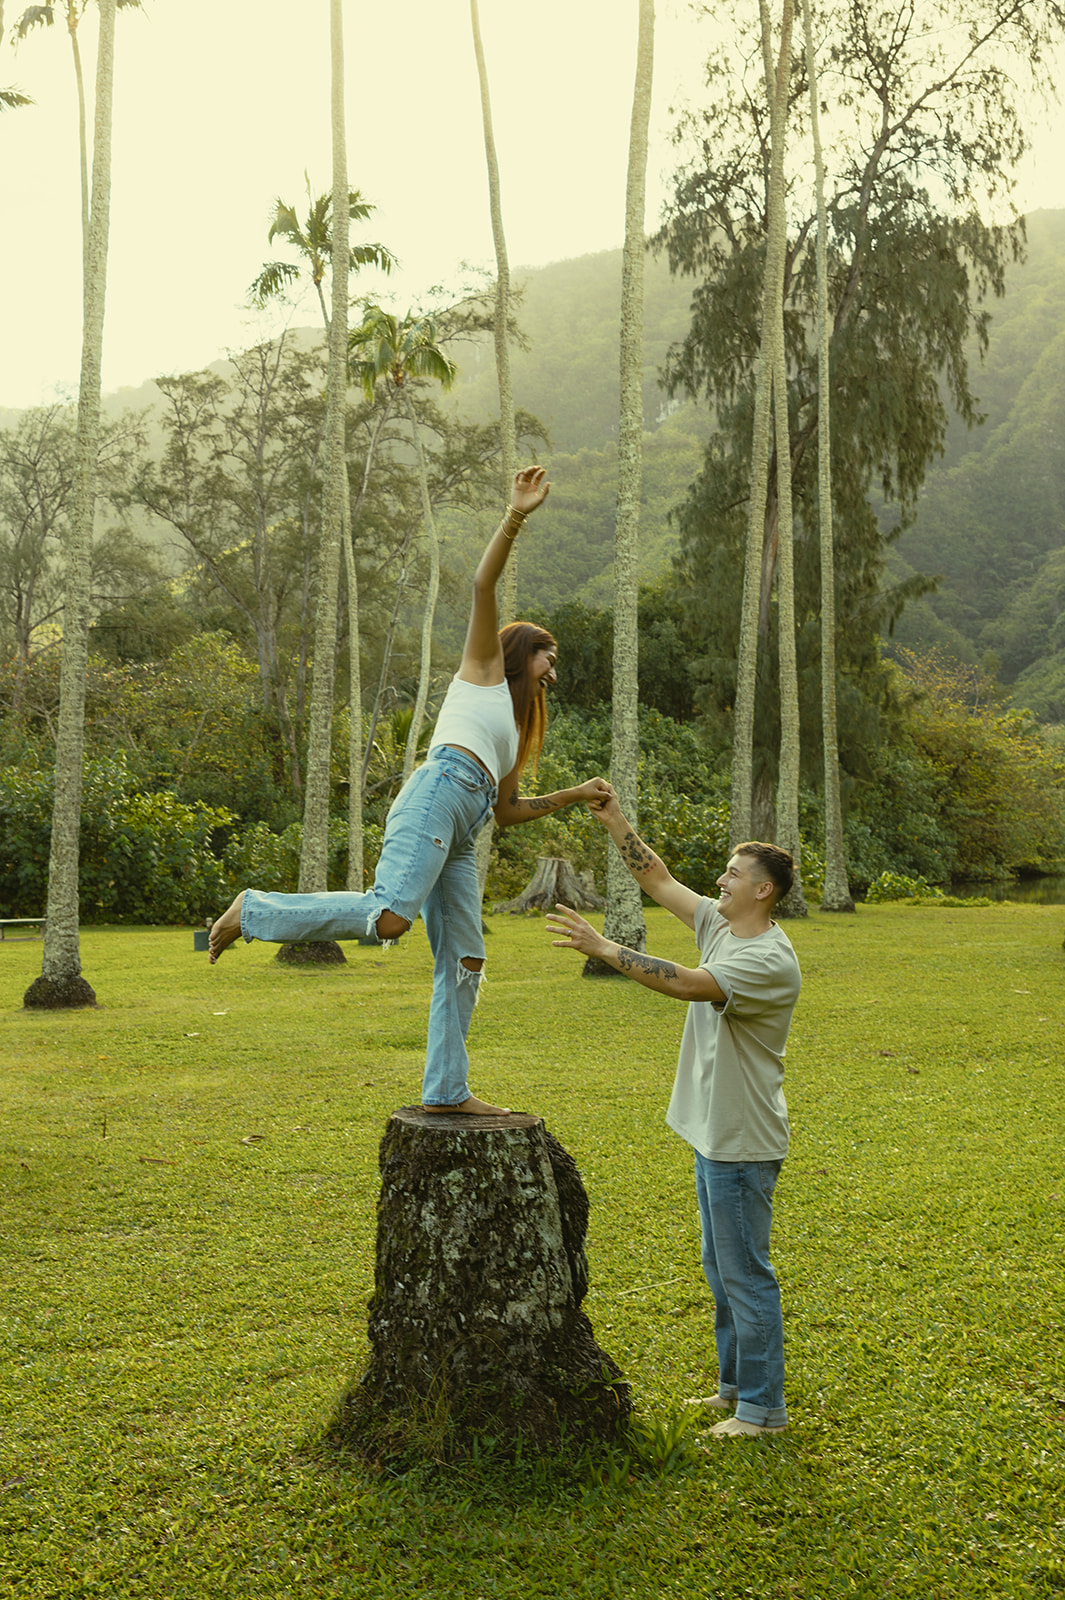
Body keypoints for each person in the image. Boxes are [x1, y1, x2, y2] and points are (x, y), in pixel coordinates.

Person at [209, 466, 611, 1117]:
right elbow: (483, 586)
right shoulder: (480, 672)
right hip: (435, 796)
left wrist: (573, 794)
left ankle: (446, 1090)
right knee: (390, 915)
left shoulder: (511, 733)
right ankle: (253, 910)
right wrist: (515, 516)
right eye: (547, 657)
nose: (553, 672)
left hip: (467, 823)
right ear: (517, 655)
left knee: (467, 961)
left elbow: (506, 813)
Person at [546, 794, 801, 1438]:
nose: (721, 880)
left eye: (734, 873)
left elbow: (687, 984)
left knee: (745, 1274)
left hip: (743, 1139)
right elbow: (656, 878)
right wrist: (613, 822)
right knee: (722, 1268)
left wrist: (604, 948)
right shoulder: (721, 922)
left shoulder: (768, 959)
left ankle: (763, 1411)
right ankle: (734, 1388)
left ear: (763, 890)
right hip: (715, 1132)